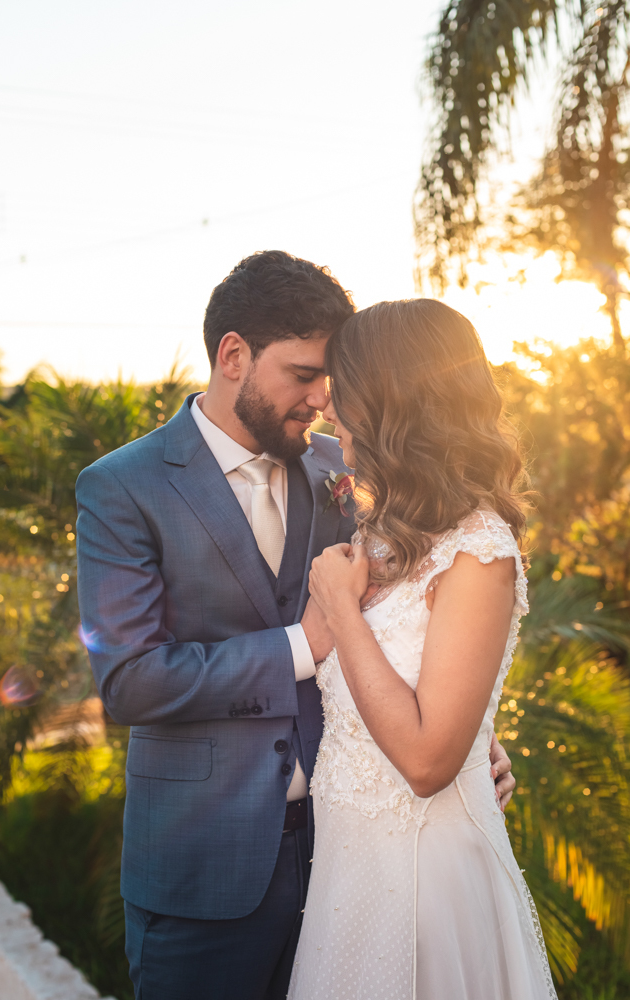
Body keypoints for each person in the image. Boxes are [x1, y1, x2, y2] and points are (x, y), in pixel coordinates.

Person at [75, 254, 515, 1000]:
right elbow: (129, 681)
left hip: (351, 859)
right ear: (234, 356)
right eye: (305, 374)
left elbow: (423, 614)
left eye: (331, 380)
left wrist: (471, 735)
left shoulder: (348, 469)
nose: (321, 400)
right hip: (204, 874)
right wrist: (301, 646)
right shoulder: (123, 486)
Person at [288, 298, 556, 1000]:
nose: (326, 407)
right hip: (348, 877)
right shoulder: (381, 535)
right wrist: (482, 738)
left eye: (341, 389)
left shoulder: (480, 549)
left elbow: (429, 760)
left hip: (426, 880)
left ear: (389, 401)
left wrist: (343, 611)